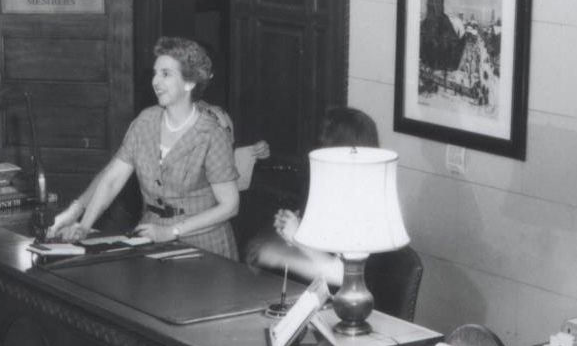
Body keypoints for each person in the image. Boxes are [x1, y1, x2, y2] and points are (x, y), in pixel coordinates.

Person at [50, 36, 242, 259]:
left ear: (189, 83)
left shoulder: (211, 134)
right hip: (151, 239)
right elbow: (112, 180)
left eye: (166, 74)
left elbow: (230, 206)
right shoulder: (145, 122)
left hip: (204, 248)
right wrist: (84, 225)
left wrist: (172, 231)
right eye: (155, 73)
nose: (155, 82)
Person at [257, 106, 381, 286]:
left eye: (325, 143)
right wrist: (291, 232)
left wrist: (291, 246)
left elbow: (342, 275)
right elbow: (322, 252)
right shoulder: (337, 190)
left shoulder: (362, 202)